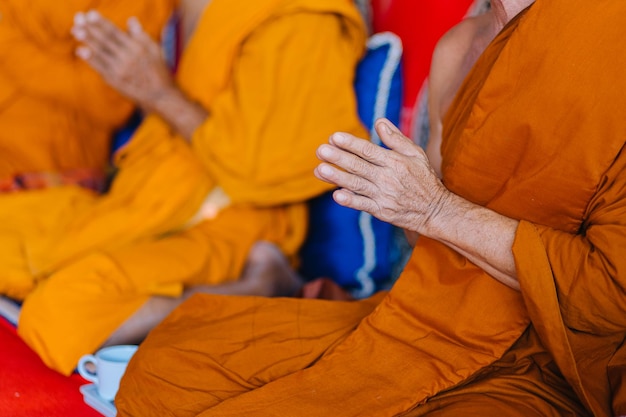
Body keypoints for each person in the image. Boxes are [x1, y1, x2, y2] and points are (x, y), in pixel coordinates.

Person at [115, 0, 626, 415]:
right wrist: (401, 205)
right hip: (425, 319)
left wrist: (434, 211)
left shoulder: (613, 43)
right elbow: (433, 245)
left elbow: (610, 295)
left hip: (553, 359)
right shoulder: (459, 47)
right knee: (165, 368)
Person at [4, 0, 367, 375]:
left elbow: (262, 173)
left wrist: (159, 93)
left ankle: (261, 283)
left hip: (232, 221)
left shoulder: (299, 17)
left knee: (59, 315)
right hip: (153, 197)